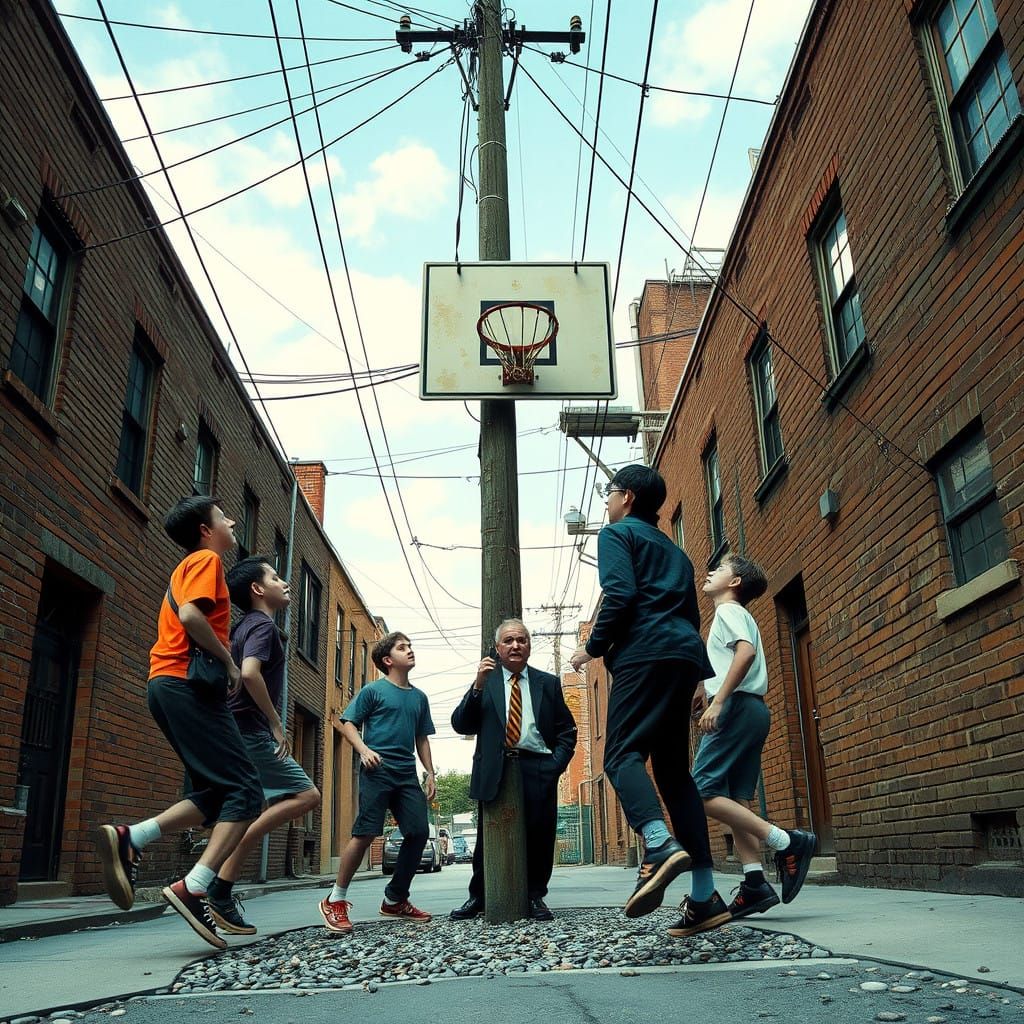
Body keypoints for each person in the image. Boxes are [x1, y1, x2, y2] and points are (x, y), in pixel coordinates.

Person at [96, 496, 263, 951]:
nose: (231, 520)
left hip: (167, 686)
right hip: (185, 685)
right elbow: (190, 615)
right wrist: (229, 661)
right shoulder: (207, 560)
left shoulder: (190, 564)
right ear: (207, 531)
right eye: (223, 515)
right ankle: (194, 887)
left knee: (213, 796)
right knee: (247, 792)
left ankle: (133, 837)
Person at [570, 465, 729, 938]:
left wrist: (592, 647)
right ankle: (704, 898)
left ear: (629, 498)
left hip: (644, 655)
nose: (607, 501)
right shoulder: (678, 554)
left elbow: (619, 594)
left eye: (610, 493)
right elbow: (690, 615)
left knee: (620, 756)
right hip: (682, 660)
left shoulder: (617, 535)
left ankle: (658, 844)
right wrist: (700, 676)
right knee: (676, 776)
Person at [194, 556, 322, 935]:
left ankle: (218, 887)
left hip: (234, 728)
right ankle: (216, 886)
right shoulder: (263, 626)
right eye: (275, 577)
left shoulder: (243, 626)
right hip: (250, 730)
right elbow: (249, 673)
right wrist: (276, 723)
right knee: (307, 794)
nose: (285, 583)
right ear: (257, 589)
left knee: (247, 808)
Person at [691, 554, 817, 917]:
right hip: (751, 709)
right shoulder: (736, 614)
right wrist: (706, 687)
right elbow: (735, 657)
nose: (711, 570)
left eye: (721, 568)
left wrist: (719, 701)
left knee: (701, 791)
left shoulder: (729, 611)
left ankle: (787, 842)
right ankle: (754, 883)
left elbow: (743, 653)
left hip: (735, 707)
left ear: (734, 583)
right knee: (736, 800)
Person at [450, 619, 578, 922]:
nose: (515, 645)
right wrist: (477, 686)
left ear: (530, 647)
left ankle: (535, 897)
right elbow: (461, 724)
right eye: (508, 641)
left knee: (540, 834)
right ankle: (478, 897)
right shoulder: (487, 682)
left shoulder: (547, 683)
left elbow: (567, 731)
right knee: (487, 837)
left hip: (536, 765)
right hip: (496, 767)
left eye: (521, 640)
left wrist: (554, 765)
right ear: (497, 649)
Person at [318, 632, 436, 934]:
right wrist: (364, 750)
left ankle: (395, 899)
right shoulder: (373, 691)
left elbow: (421, 738)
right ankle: (336, 899)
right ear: (387, 660)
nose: (409, 651)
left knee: (419, 831)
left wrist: (430, 772)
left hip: (406, 773)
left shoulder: (419, 697)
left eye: (410, 646)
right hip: (377, 770)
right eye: (402, 648)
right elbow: (347, 723)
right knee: (366, 832)